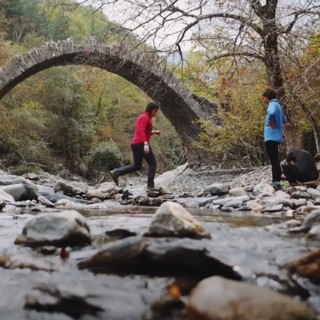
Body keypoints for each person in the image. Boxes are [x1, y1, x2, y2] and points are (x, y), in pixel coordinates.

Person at [109, 102, 161, 194]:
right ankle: (150, 186)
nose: (155, 113)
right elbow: (141, 131)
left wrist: (153, 132)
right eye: (155, 111)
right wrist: (145, 143)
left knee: (137, 166)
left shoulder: (143, 117)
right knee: (153, 163)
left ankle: (116, 172)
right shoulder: (145, 118)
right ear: (151, 109)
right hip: (141, 143)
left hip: (135, 143)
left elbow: (143, 131)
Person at [263, 88, 286, 190]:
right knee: (275, 159)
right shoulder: (278, 105)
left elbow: (271, 113)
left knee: (274, 160)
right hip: (276, 136)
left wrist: (271, 122)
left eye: (263, 98)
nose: (263, 100)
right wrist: (278, 124)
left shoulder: (272, 105)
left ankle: (275, 181)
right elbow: (284, 119)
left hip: (271, 137)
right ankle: (277, 179)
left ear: (267, 97)